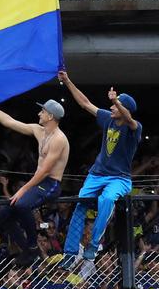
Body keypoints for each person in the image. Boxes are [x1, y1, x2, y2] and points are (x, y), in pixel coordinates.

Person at [57, 69, 142, 276]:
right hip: (97, 174)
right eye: (113, 104)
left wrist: (118, 102)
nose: (111, 107)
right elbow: (85, 103)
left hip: (120, 178)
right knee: (80, 204)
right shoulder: (108, 118)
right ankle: (70, 254)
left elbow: (130, 119)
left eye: (115, 105)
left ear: (124, 109)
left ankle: (93, 246)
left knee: (107, 199)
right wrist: (68, 81)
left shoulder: (134, 127)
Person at [0, 92, 70, 260]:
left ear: (50, 116)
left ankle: (33, 243)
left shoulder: (59, 139)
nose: (39, 114)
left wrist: (23, 190)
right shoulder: (39, 131)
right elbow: (9, 122)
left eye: (42, 111)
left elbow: (45, 171)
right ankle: (26, 250)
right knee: (8, 215)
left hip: (50, 184)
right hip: (38, 183)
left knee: (20, 204)